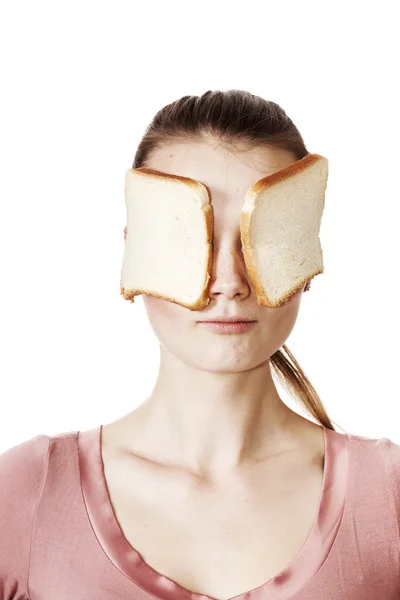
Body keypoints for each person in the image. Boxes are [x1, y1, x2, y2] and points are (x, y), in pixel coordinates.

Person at [1, 90, 400, 600]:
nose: (230, 281)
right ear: (136, 252)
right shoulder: (25, 496)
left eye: (263, 238)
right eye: (189, 238)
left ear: (307, 252)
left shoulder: (386, 501)